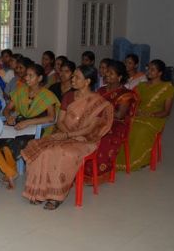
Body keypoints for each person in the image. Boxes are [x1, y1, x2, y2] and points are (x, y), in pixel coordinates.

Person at [21, 65, 113, 210]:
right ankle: (39, 192)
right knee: (40, 149)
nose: (73, 80)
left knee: (63, 153)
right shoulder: (69, 96)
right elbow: (60, 121)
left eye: (77, 77)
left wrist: (69, 135)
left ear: (88, 81)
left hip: (85, 140)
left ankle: (56, 196)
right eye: (73, 77)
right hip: (65, 134)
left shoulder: (98, 102)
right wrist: (66, 134)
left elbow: (89, 129)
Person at [0, 64, 59, 189]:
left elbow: (51, 117)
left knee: (13, 144)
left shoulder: (47, 95)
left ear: (40, 78)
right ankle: (10, 171)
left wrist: (28, 122)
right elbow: (7, 109)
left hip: (37, 127)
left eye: (31, 76)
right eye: (27, 75)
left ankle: (10, 171)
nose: (26, 78)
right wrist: (9, 116)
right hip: (19, 123)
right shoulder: (21, 91)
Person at [116, 59, 174, 171]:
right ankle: (119, 158)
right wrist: (135, 111)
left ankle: (140, 160)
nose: (148, 71)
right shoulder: (141, 86)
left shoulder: (168, 87)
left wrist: (150, 114)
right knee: (124, 127)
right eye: (148, 68)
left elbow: (166, 112)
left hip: (156, 118)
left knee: (140, 130)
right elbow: (133, 102)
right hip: (137, 114)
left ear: (160, 73)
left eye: (153, 70)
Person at [85, 60, 137, 183]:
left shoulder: (125, 94)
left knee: (102, 138)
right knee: (80, 133)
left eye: (111, 73)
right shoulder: (101, 91)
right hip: (98, 120)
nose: (107, 75)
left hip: (116, 124)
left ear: (119, 77)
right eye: (107, 72)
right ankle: (78, 169)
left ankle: (96, 173)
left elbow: (119, 115)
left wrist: (100, 114)